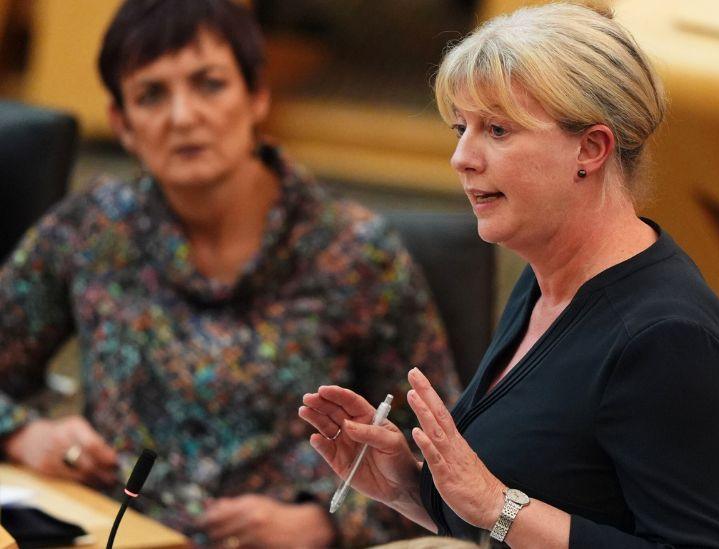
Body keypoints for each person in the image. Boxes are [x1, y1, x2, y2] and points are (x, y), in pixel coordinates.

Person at [0, 0, 460, 546]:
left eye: (209, 85)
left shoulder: (355, 251)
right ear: (122, 123)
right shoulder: (93, 228)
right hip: (123, 532)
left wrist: (329, 523)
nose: (183, 116)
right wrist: (23, 433)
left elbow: (442, 448)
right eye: (151, 95)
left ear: (257, 95)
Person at [300, 3, 719, 547]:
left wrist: (495, 504)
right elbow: (528, 508)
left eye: (497, 130)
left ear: (591, 148)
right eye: (460, 128)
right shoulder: (544, 279)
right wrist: (407, 487)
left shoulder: (667, 337)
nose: (462, 157)